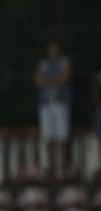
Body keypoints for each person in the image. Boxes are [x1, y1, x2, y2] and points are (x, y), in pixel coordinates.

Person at [33, 39, 72, 175]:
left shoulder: (64, 62)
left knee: (62, 135)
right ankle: (51, 167)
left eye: (55, 49)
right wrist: (55, 78)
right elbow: (37, 81)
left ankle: (64, 166)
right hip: (46, 104)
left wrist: (46, 79)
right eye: (51, 49)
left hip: (60, 103)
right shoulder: (42, 63)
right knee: (48, 136)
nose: (53, 52)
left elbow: (64, 79)